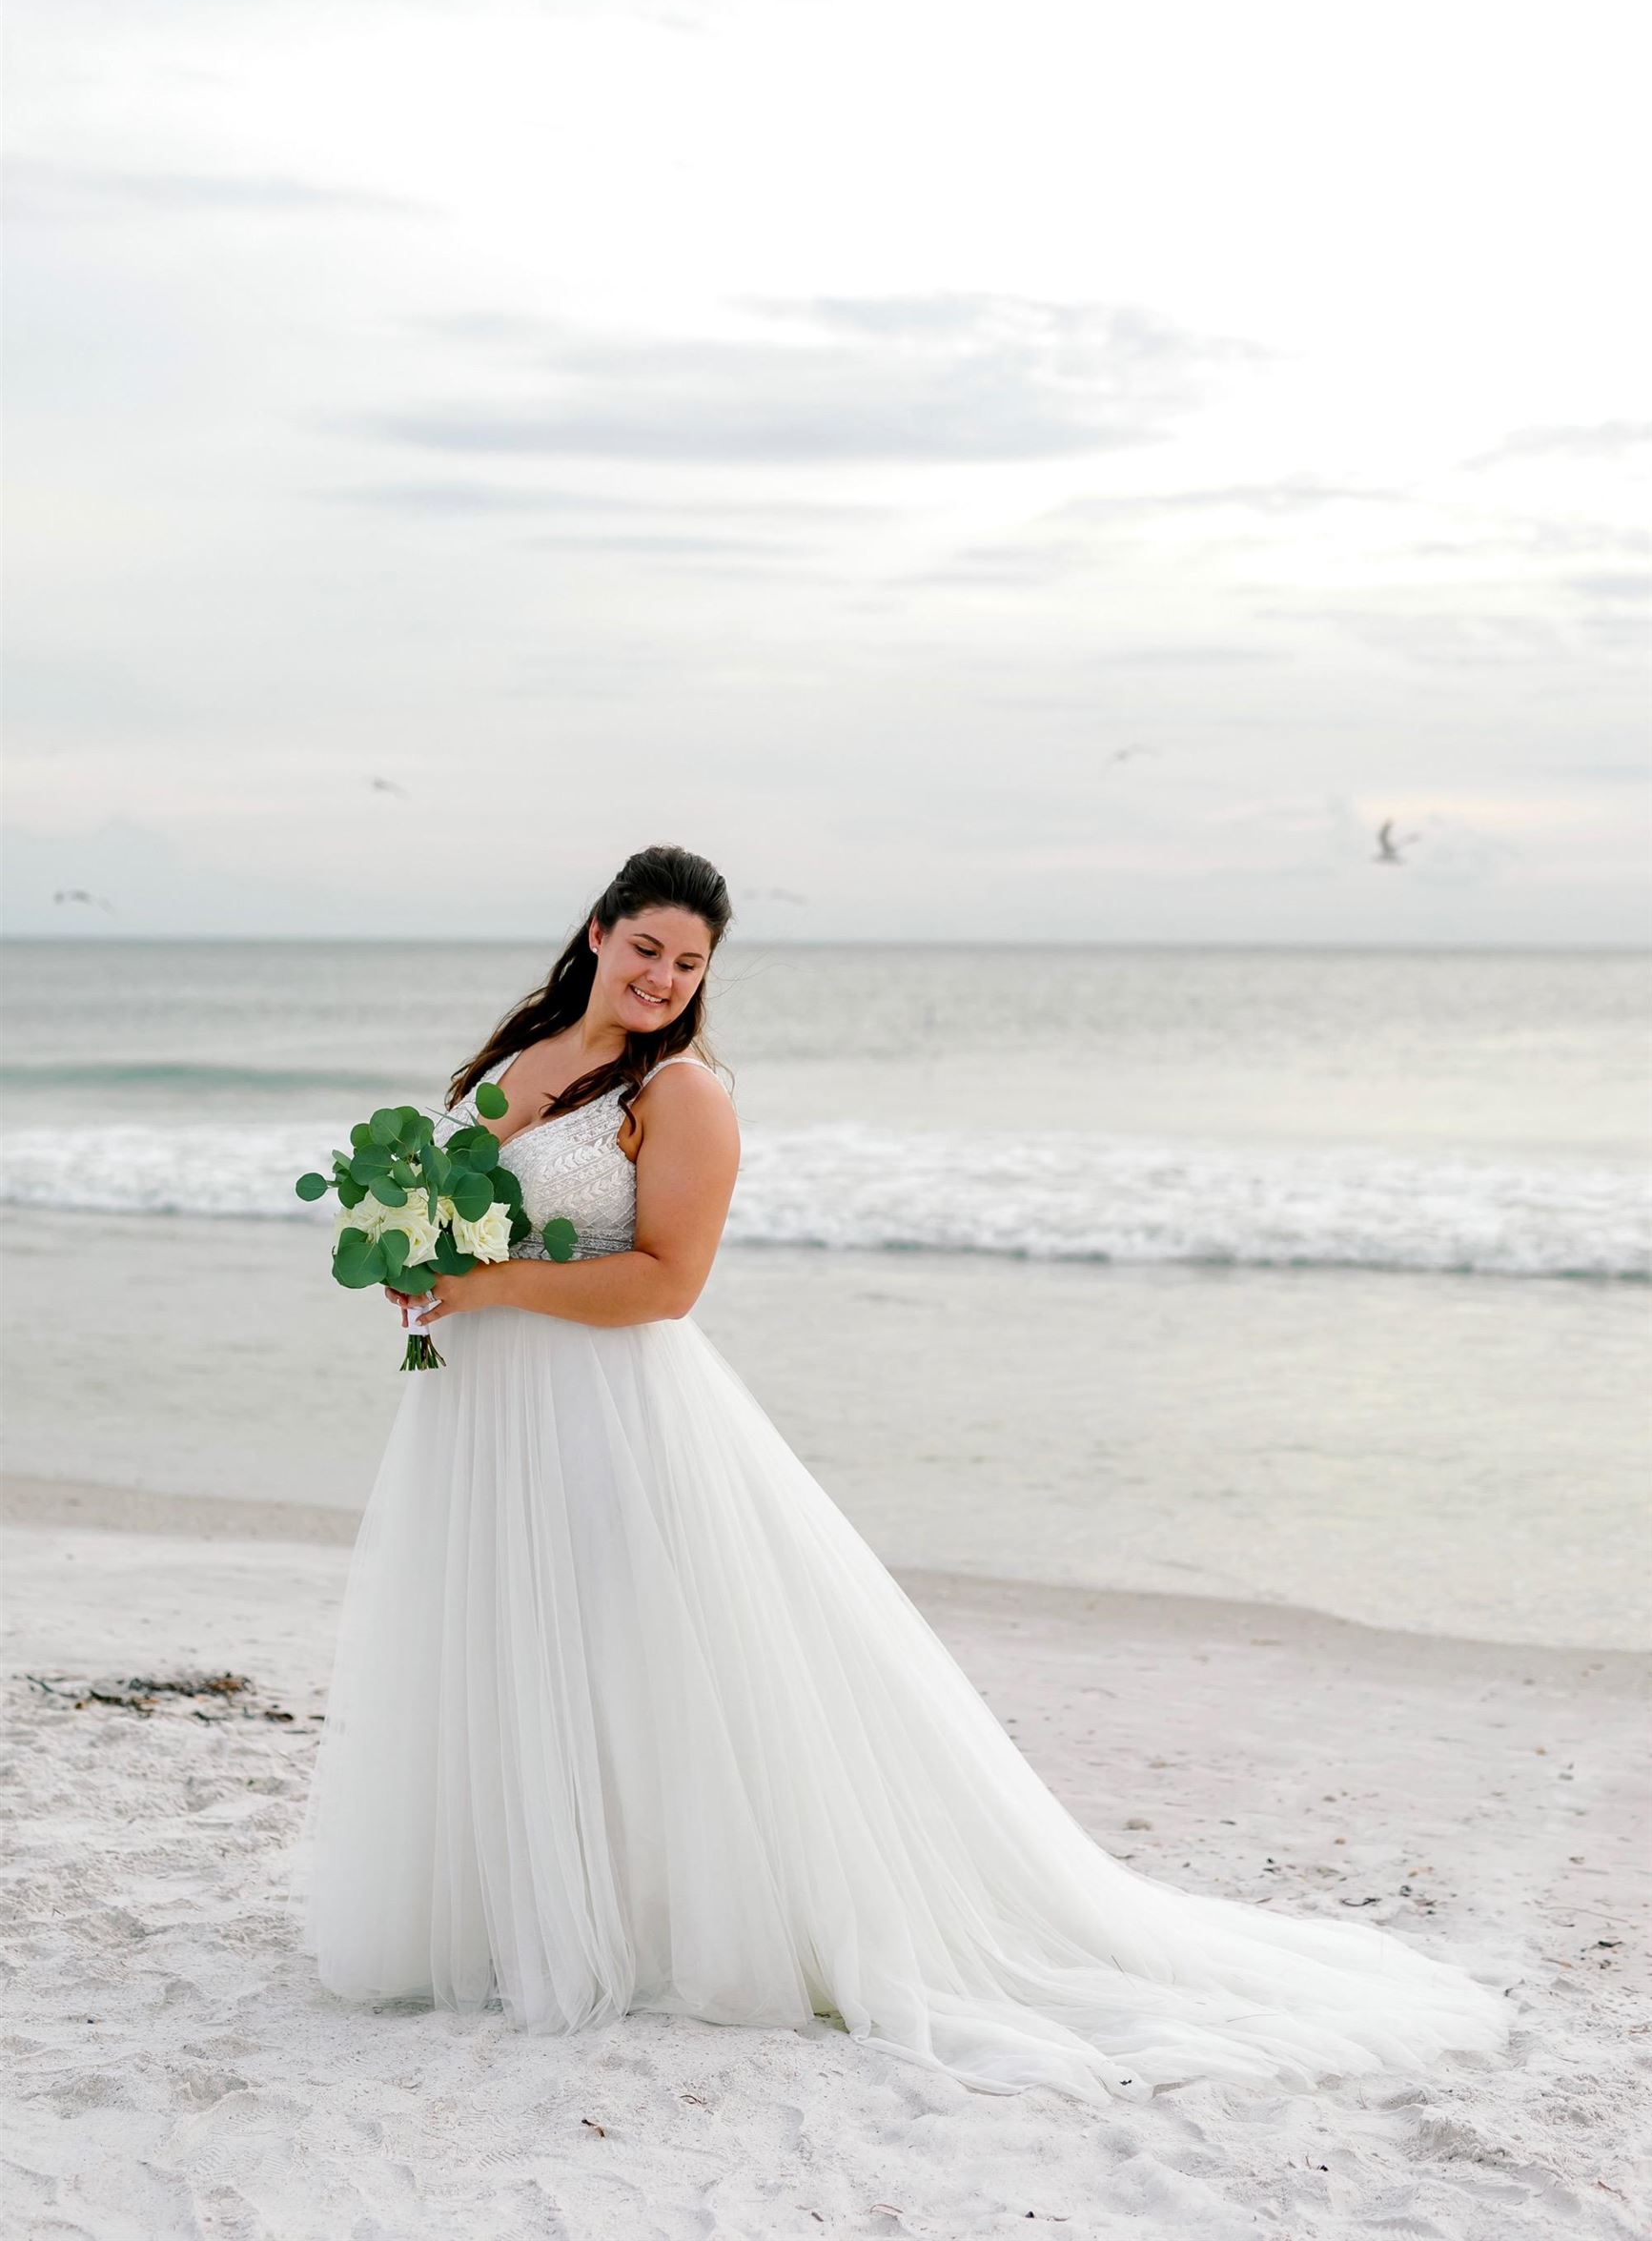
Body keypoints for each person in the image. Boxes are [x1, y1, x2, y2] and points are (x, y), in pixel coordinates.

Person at [291, 843, 1510, 2104]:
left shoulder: (684, 1093)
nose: (662, 977)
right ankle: (519, 1910)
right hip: (480, 1407)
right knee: (503, 1645)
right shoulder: (515, 1055)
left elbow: (667, 1282)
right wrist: (412, 1256)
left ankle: (643, 1920)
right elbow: (448, 1200)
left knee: (625, 1657)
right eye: (645, 947)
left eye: (689, 962)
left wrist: (487, 1278)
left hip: (603, 1409)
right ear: (597, 933)